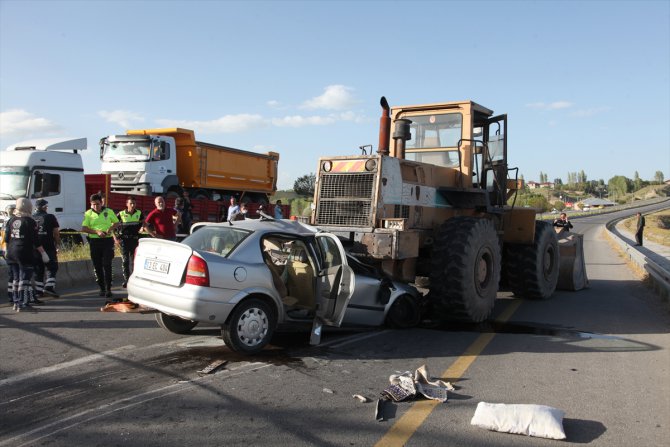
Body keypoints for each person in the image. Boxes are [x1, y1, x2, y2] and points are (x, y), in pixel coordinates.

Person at [6, 198, 49, 312]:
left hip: (11, 252)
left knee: (15, 279)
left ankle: (16, 302)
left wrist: (7, 250)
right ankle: (22, 304)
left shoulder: (11, 220)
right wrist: (43, 253)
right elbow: (35, 240)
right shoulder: (30, 221)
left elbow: (6, 238)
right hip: (24, 252)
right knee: (24, 279)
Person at [81, 193, 119, 300]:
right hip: (95, 241)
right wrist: (96, 231)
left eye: (97, 204)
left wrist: (110, 229)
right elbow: (84, 228)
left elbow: (117, 223)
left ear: (101, 203)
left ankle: (108, 288)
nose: (95, 207)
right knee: (97, 266)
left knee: (107, 264)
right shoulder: (88, 213)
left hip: (107, 241)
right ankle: (102, 288)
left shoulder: (109, 211)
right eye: (93, 205)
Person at [33, 199, 61, 298]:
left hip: (35, 248)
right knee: (52, 267)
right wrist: (57, 244)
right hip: (48, 246)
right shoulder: (50, 217)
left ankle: (38, 291)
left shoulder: (31, 218)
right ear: (45, 207)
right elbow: (56, 232)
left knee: (38, 269)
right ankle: (49, 287)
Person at [114, 196, 144, 288]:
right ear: (127, 204)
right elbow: (113, 226)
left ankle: (134, 280)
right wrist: (115, 238)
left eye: (134, 203)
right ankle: (127, 280)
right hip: (124, 240)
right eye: (130, 203)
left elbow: (144, 223)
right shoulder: (121, 214)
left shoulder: (139, 213)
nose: (132, 205)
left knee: (134, 261)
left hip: (134, 240)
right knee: (125, 261)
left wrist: (143, 228)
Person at [1, 204, 17, 304]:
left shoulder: (5, 221)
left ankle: (11, 294)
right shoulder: (12, 221)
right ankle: (12, 295)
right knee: (14, 274)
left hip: (4, 249)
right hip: (9, 249)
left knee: (12, 273)